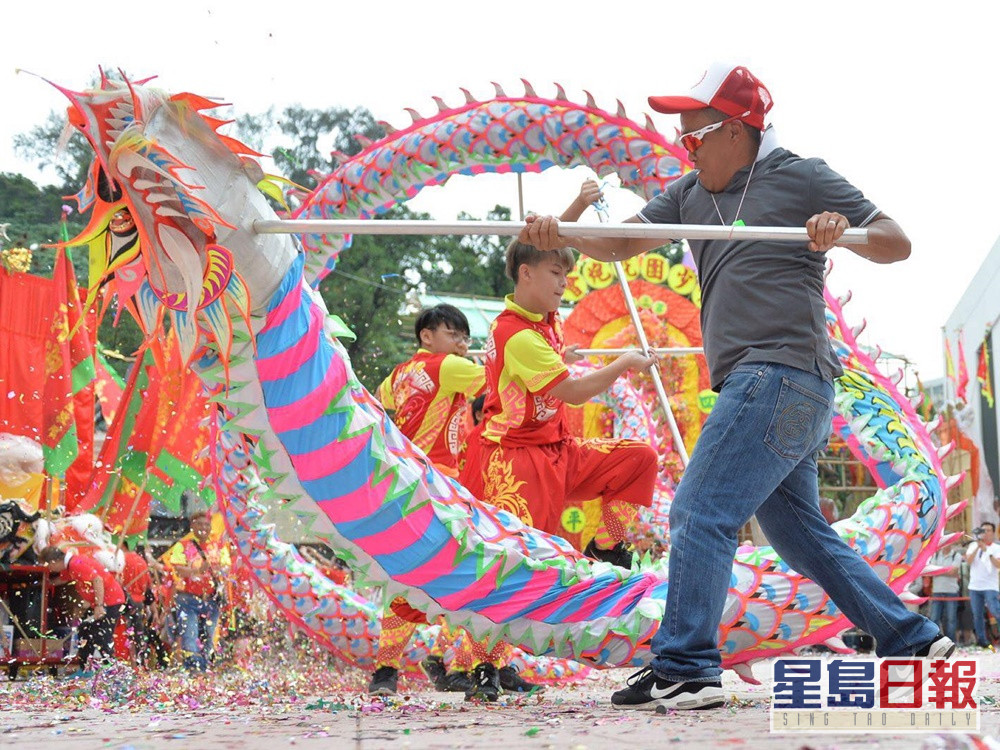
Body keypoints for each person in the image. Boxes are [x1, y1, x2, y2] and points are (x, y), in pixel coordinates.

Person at [519, 62, 952, 712]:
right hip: (776, 391)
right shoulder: (691, 194)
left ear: (737, 131)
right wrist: (565, 229)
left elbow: (897, 242)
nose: (684, 148)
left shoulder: (802, 175)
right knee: (800, 535)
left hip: (780, 373)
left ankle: (688, 665)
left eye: (693, 136)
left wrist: (843, 232)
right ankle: (912, 639)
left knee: (698, 512)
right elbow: (619, 241)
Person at [468, 186, 659, 700]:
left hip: (558, 449)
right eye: (557, 274)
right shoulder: (521, 336)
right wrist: (622, 362)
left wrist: (574, 206)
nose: (565, 283)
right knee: (512, 564)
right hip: (515, 464)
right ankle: (483, 666)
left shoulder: (540, 317)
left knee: (638, 458)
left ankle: (605, 546)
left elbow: (547, 243)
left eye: (566, 274)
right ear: (526, 275)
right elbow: (572, 389)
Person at [368, 304, 494, 697]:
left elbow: (378, 401)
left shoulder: (398, 374)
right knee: (459, 576)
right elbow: (505, 378)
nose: (460, 343)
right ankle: (437, 661)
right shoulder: (447, 367)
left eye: (463, 337)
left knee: (410, 578)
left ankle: (395, 669)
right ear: (427, 336)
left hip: (403, 485)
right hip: (439, 488)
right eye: (453, 334)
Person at [162, 510, 231, 671]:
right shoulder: (183, 545)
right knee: (189, 635)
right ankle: (194, 670)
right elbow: (178, 569)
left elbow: (226, 568)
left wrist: (215, 568)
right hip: (188, 600)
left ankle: (205, 668)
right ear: (192, 526)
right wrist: (197, 571)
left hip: (212, 599)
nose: (203, 527)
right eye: (199, 524)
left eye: (207, 524)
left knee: (209, 636)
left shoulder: (219, 546)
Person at [39, 546, 126, 674]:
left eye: (49, 565)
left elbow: (97, 580)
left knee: (101, 636)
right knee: (84, 632)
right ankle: (85, 668)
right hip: (99, 602)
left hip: (110, 601)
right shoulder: (69, 566)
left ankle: (112, 670)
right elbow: (60, 580)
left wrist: (99, 605)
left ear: (54, 561)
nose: (50, 569)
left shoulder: (76, 564)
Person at [965, 522, 1000, 647]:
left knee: (996, 611)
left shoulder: (996, 548)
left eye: (988, 530)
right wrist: (977, 547)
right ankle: (982, 641)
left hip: (990, 586)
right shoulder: (973, 545)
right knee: (977, 615)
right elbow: (968, 561)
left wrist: (987, 551)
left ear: (993, 532)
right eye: (983, 530)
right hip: (975, 586)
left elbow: (998, 565)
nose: (985, 533)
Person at [927, 544, 964, 643]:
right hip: (937, 591)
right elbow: (931, 571)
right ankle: (935, 642)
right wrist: (947, 570)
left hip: (951, 591)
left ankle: (951, 642)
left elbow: (954, 572)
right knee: (934, 618)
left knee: (951, 619)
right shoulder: (935, 555)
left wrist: (939, 570)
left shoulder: (956, 555)